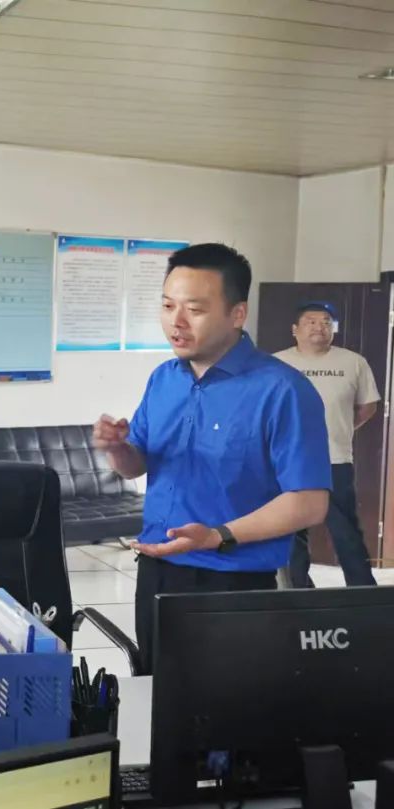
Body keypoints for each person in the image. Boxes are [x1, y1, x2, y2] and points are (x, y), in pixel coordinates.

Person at [92, 243, 331, 674]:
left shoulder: (283, 391)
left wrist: (217, 535)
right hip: (157, 570)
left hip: (233, 582)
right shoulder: (164, 379)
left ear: (237, 314)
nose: (176, 322)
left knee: (228, 703)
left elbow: (309, 502)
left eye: (195, 309)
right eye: (168, 306)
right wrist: (117, 448)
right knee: (156, 690)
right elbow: (137, 465)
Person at [274, 302, 380, 587]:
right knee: (291, 529)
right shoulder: (275, 363)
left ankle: (362, 591)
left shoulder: (353, 362)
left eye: (325, 322)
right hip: (287, 461)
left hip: (334, 459)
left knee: (346, 531)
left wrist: (340, 429)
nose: (319, 327)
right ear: (295, 330)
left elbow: (367, 406)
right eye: (311, 321)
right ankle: (298, 589)